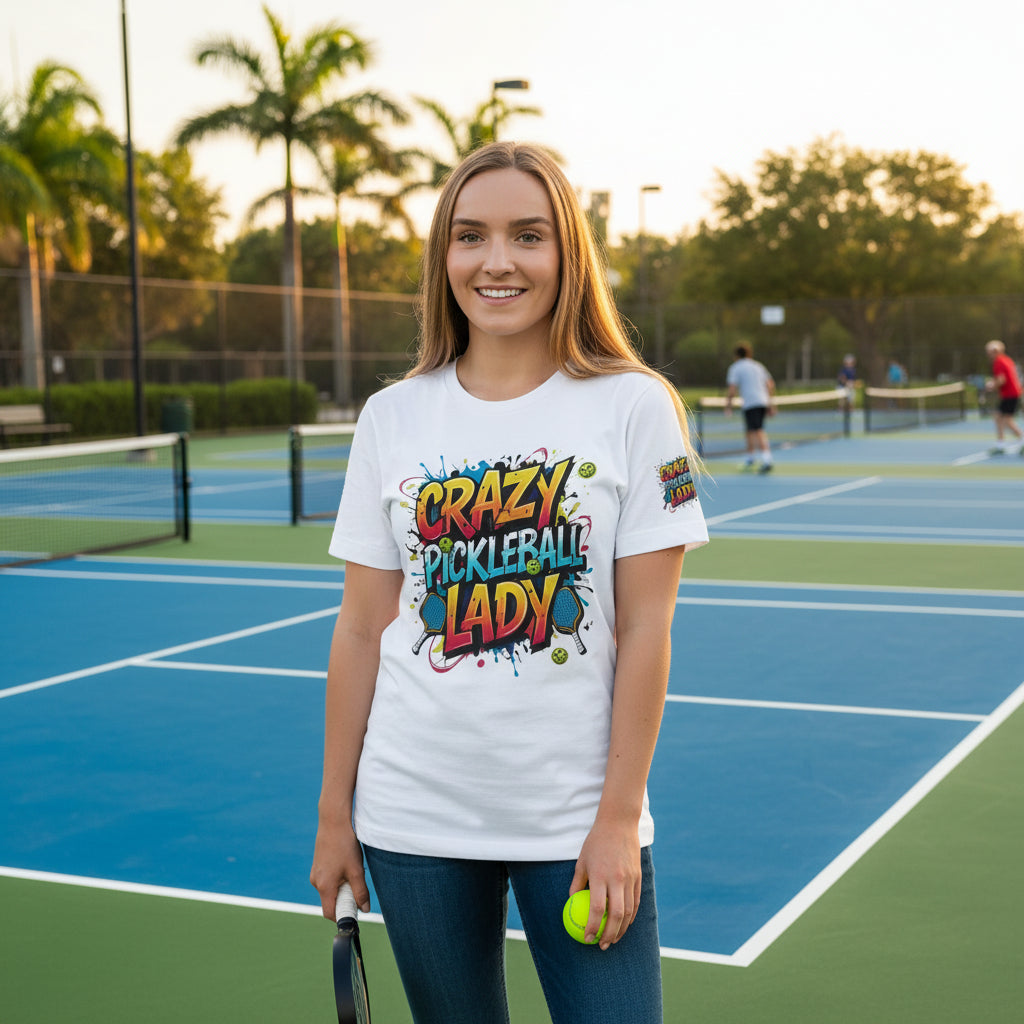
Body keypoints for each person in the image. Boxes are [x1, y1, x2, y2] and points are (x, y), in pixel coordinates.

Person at [310, 141, 709, 1024]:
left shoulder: (637, 406)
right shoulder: (392, 416)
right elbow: (361, 629)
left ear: (567, 255)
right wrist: (334, 813)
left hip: (577, 820)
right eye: (470, 236)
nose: (496, 261)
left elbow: (648, 629)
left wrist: (617, 820)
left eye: (527, 236)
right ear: (442, 257)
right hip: (412, 818)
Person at [725, 343, 776, 472]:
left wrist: (728, 405)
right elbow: (770, 384)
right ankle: (750, 458)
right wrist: (770, 403)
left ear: (736, 356)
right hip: (759, 402)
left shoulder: (735, 367)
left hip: (752, 402)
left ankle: (767, 460)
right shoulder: (758, 366)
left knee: (758, 430)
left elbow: (732, 388)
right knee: (749, 430)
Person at [984, 339, 1023, 454]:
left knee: (1006, 420)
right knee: (999, 418)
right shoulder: (1007, 360)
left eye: (991, 351)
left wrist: (991, 385)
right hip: (1011, 394)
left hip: (1010, 394)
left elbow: (1001, 380)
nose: (989, 354)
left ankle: (1019, 439)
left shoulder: (999, 362)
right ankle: (1000, 445)